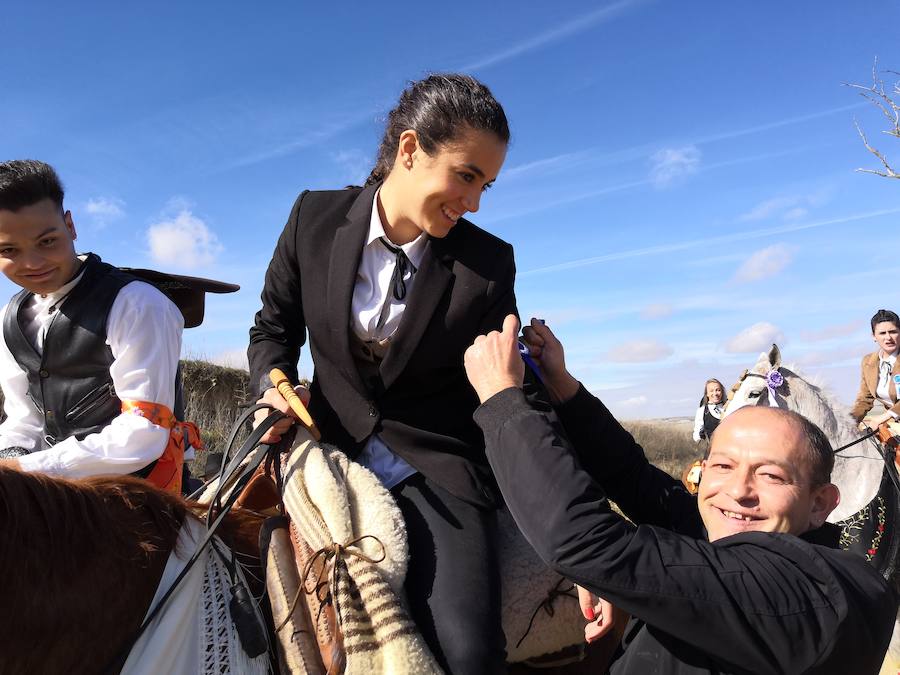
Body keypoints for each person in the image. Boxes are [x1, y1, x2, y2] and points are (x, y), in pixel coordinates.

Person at [248, 74, 514, 672]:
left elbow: (503, 389)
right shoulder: (312, 218)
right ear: (410, 149)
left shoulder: (490, 264)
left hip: (436, 464)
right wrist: (273, 384)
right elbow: (272, 328)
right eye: (466, 175)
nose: (473, 203)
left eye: (486, 186)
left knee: (469, 651)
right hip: (327, 446)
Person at [463, 315, 897, 674]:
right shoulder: (764, 542)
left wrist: (503, 400)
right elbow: (638, 480)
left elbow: (589, 544)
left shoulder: (805, 593)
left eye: (770, 476)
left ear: (821, 503)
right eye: (723, 466)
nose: (737, 491)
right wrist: (565, 389)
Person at [0, 160, 187, 491]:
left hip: (143, 495)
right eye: (9, 250)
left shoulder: (138, 304)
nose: (32, 264)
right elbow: (24, 418)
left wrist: (27, 470)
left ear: (70, 226)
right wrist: (11, 458)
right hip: (48, 492)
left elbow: (144, 432)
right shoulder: (9, 319)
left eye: (46, 242)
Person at [851, 308, 900, 430]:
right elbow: (864, 399)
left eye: (893, 332)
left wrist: (884, 417)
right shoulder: (868, 361)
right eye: (882, 333)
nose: (888, 337)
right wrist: (849, 421)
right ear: (874, 336)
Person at [691, 378, 726, 443]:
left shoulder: (729, 407)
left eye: (718, 390)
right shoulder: (702, 411)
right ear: (707, 394)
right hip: (714, 450)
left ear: (722, 392)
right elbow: (696, 434)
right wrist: (700, 437)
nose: (715, 393)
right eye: (711, 391)